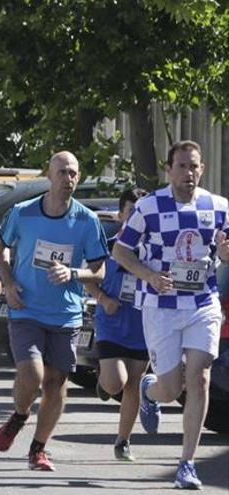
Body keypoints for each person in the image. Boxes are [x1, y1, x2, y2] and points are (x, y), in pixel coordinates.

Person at [112, 141, 229, 489]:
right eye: (181, 166)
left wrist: (225, 252)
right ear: (169, 169)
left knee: (200, 378)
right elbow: (120, 251)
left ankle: (186, 463)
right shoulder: (148, 207)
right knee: (171, 386)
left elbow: (225, 253)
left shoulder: (219, 206)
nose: (187, 173)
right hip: (160, 306)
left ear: (202, 169)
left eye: (193, 166)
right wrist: (148, 275)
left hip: (203, 303)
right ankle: (150, 392)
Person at [0, 151, 108, 471]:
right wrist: (8, 281)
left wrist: (74, 274)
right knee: (32, 374)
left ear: (78, 177)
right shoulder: (23, 213)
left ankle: (38, 449)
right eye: (61, 172)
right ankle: (18, 415)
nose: (67, 179)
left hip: (65, 314)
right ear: (49, 175)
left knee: (56, 383)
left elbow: (99, 271)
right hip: (26, 308)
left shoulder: (87, 220)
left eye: (73, 173)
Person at [78, 188, 150, 462]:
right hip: (110, 322)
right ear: (120, 215)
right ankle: (103, 382)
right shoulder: (106, 246)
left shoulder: (154, 251)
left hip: (142, 324)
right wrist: (102, 298)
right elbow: (87, 277)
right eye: (131, 212)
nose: (136, 219)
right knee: (116, 382)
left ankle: (123, 441)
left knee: (134, 383)